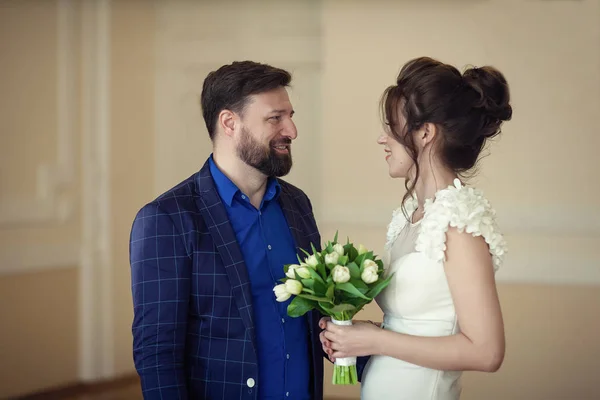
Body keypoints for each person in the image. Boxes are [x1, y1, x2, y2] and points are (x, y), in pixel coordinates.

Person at [319, 56, 512, 399]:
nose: (383, 139)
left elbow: (487, 352)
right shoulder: (414, 214)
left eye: (392, 126)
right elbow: (417, 327)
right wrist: (357, 334)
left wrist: (375, 339)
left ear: (425, 132)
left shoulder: (458, 224)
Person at [129, 61, 324, 400]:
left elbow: (314, 318)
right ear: (230, 123)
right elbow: (157, 353)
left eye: (290, 115)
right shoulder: (167, 219)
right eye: (275, 118)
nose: (291, 130)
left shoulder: (297, 205)